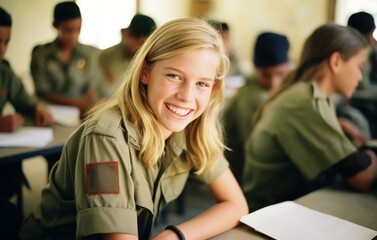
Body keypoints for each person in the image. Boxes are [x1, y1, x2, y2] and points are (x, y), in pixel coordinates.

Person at [18, 18, 248, 240]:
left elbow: (236, 205)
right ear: (145, 72)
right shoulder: (107, 137)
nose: (187, 96)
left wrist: (174, 235)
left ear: (213, 88)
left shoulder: (192, 128)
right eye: (174, 76)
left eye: (201, 84)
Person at [242, 23, 377, 212]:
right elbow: (363, 178)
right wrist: (370, 150)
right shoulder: (304, 102)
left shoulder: (306, 94)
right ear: (336, 61)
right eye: (359, 66)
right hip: (270, 212)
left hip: (286, 205)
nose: (361, 77)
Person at [0, 7, 52, 239]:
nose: (2, 50)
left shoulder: (4, 70)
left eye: (7, 42)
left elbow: (25, 99)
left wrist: (38, 108)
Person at [222, 32, 290, 184]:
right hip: (249, 178)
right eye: (266, 75)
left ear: (288, 65)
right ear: (254, 65)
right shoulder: (252, 97)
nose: (273, 82)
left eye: (280, 74)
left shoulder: (282, 89)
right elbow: (258, 149)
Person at [31, 1, 100, 118]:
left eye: (78, 30)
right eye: (68, 30)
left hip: (81, 115)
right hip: (50, 113)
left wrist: (86, 105)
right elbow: (43, 92)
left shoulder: (90, 53)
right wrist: (79, 104)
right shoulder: (41, 53)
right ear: (55, 25)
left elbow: (91, 88)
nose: (73, 36)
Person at [97, 14, 156, 98]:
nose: (144, 49)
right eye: (141, 43)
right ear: (127, 35)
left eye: (148, 45)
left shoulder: (153, 62)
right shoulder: (107, 57)